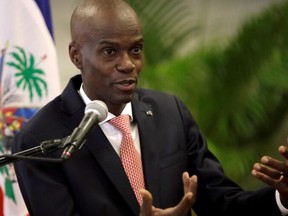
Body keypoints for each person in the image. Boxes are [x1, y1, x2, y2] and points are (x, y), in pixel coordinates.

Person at [11, 0, 288, 215]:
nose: (128, 64)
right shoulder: (40, 140)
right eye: (110, 51)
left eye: (136, 49)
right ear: (76, 55)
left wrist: (281, 199)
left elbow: (222, 203)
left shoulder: (171, 114)